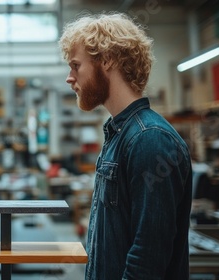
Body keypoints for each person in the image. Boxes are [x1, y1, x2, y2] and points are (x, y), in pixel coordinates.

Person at [59, 12, 192, 279]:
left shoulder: (149, 139)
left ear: (107, 60)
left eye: (76, 65)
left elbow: (148, 257)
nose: (69, 78)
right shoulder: (120, 134)